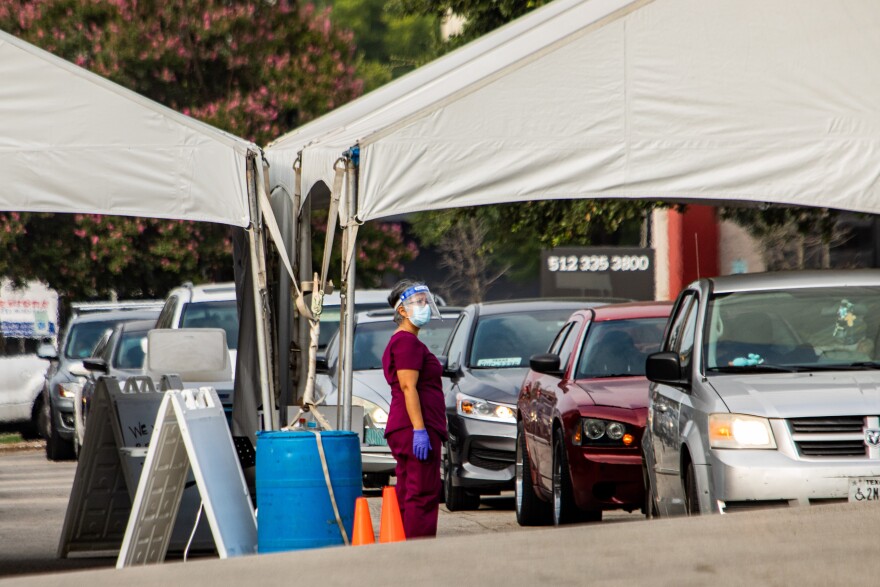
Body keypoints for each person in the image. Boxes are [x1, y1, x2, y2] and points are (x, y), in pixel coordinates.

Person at [382, 279, 447, 539]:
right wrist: (420, 429)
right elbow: (409, 388)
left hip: (407, 426)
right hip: (415, 427)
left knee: (409, 489)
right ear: (402, 310)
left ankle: (401, 544)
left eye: (425, 301)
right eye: (418, 302)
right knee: (422, 492)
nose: (425, 306)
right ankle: (417, 552)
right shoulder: (406, 343)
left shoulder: (406, 342)